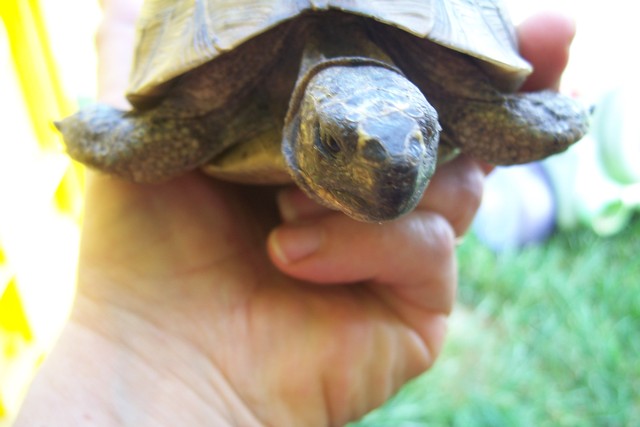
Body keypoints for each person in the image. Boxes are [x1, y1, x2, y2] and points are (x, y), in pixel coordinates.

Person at [14, 1, 576, 425]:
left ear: (431, 113)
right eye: (334, 142)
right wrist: (148, 352)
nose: (393, 168)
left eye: (424, 133)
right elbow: (137, 132)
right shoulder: (214, 93)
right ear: (308, 126)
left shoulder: (445, 82)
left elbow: (494, 114)